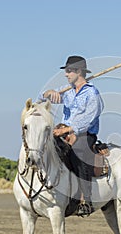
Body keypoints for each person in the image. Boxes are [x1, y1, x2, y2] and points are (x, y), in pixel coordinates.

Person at [40, 55, 104, 215]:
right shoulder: (66, 91)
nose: (66, 74)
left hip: (84, 134)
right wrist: (47, 93)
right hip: (63, 133)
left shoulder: (92, 93)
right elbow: (41, 99)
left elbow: (90, 117)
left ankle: (86, 201)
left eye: (69, 71)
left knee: (78, 153)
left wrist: (68, 129)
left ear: (79, 71)